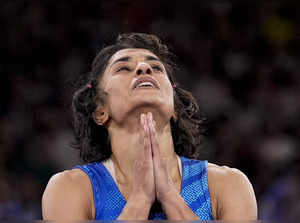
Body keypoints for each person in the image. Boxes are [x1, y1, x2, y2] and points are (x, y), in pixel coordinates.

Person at [42, 33, 257, 220]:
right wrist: (140, 200)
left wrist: (171, 198)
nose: (144, 68)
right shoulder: (70, 189)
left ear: (174, 108)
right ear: (100, 111)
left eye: (155, 67)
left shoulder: (228, 185)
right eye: (123, 68)